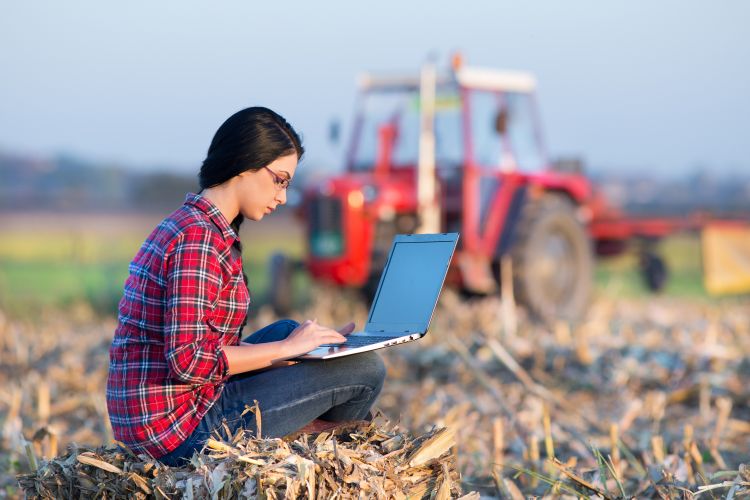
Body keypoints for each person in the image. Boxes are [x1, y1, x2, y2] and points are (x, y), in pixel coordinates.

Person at [106, 107, 386, 466]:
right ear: (246, 164)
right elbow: (189, 362)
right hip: (178, 432)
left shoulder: (198, 225)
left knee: (296, 335)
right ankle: (320, 456)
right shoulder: (199, 240)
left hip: (179, 408)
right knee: (365, 371)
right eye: (280, 180)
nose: (283, 196)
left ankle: (307, 443)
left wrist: (299, 348)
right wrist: (287, 349)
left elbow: (203, 351)